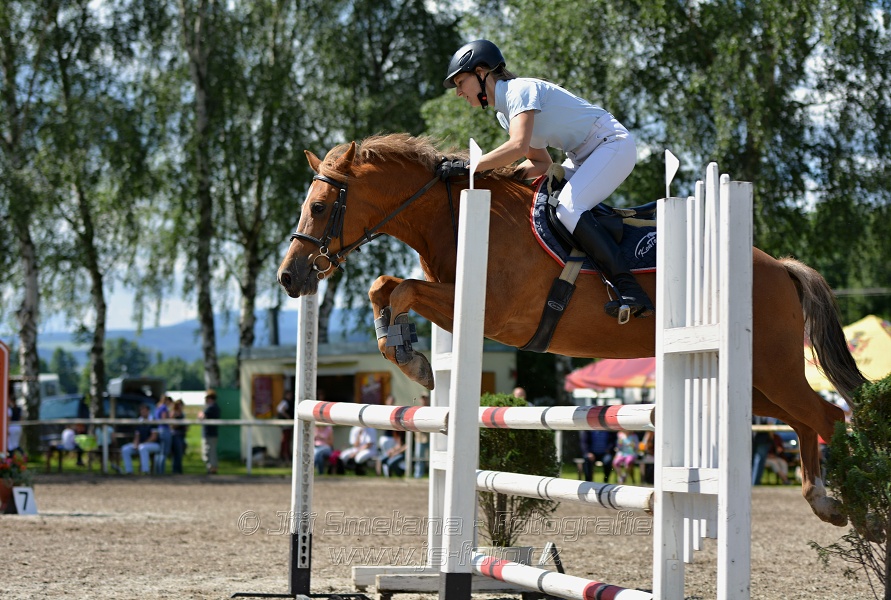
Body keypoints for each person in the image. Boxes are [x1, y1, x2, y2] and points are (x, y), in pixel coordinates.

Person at [441, 39, 654, 319]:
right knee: (544, 201)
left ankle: (631, 291)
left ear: (481, 72)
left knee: (568, 206)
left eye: (460, 82)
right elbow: (542, 163)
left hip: (611, 145)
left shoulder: (519, 90)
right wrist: (501, 177)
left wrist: (471, 166)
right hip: (583, 157)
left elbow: (517, 147)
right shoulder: (505, 115)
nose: (458, 92)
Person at [120, 404, 160, 475]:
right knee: (125, 449)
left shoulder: (153, 421)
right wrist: (135, 444)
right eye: (141, 410)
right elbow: (137, 436)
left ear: (148, 411)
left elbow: (154, 437)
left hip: (153, 444)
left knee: (143, 448)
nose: (143, 412)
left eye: (144, 410)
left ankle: (145, 471)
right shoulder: (139, 421)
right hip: (141, 444)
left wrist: (143, 443)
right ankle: (129, 471)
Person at [198, 390, 221, 474]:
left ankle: (212, 469)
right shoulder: (214, 407)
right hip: (210, 433)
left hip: (210, 434)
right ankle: (211, 468)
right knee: (210, 452)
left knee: (210, 452)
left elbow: (201, 416)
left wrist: (201, 413)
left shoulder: (212, 407)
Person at [153, 396, 173, 474]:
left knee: (158, 452)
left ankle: (157, 471)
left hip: (159, 429)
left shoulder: (158, 407)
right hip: (164, 430)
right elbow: (164, 418)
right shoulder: (164, 408)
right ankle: (161, 472)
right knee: (163, 452)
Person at [413, 394, 430, 478]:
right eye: (423, 399)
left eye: (426, 399)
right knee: (419, 458)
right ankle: (418, 475)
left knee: (431, 459)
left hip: (430, 438)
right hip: (419, 438)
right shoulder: (417, 410)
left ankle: (430, 475)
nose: (424, 400)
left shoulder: (431, 410)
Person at [170, 399, 188, 474]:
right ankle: (175, 470)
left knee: (180, 453)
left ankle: (179, 470)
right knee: (176, 453)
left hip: (182, 435)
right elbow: (172, 425)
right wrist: (181, 424)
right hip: (176, 435)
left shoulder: (182, 414)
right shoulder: (174, 413)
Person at [277, 391, 294, 465]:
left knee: (287, 439)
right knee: (285, 440)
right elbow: (280, 409)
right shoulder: (285, 402)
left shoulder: (288, 402)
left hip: (287, 424)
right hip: (286, 424)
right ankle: (285, 455)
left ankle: (285, 454)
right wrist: (288, 417)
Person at [7, 391, 22, 456]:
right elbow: (21, 418)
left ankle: (11, 459)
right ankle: (23, 456)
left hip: (12, 427)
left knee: (10, 445)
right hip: (18, 427)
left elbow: (9, 419)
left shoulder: (10, 409)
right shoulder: (19, 409)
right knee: (16, 444)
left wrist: (7, 429)